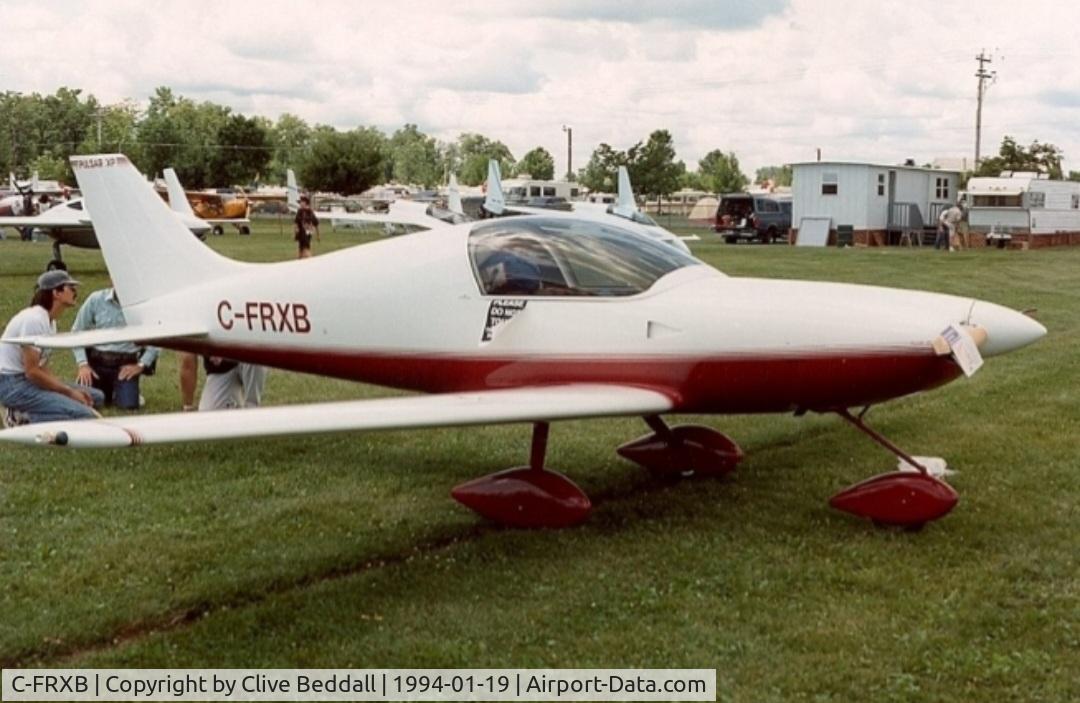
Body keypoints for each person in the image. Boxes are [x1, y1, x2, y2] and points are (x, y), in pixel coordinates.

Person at [0, 270, 104, 426]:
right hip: (12, 385)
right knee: (83, 415)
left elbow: (41, 366)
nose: (75, 293)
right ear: (56, 293)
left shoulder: (50, 321)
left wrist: (63, 390)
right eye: (71, 288)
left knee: (96, 397)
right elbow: (32, 371)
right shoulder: (34, 320)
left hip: (27, 381)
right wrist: (69, 392)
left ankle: (37, 409)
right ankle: (20, 416)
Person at [71, 282, 158, 409]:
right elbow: (77, 331)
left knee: (128, 406)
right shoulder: (96, 299)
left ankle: (127, 391)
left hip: (125, 365)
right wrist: (83, 364)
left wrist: (141, 365)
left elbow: (158, 337)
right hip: (96, 364)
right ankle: (110, 391)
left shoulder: (144, 305)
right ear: (112, 280)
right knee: (83, 401)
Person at [178, 352, 267, 411]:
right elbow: (187, 360)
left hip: (246, 358)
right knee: (209, 417)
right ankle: (233, 403)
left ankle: (252, 407)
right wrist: (188, 407)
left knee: (256, 349)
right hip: (221, 371)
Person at [294, 194, 320, 259]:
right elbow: (296, 222)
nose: (300, 204)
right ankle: (299, 261)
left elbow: (316, 223)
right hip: (300, 233)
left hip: (307, 232)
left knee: (306, 248)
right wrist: (296, 231)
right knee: (300, 249)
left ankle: (310, 261)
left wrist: (318, 235)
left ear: (305, 203)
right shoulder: (299, 211)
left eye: (301, 202)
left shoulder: (310, 212)